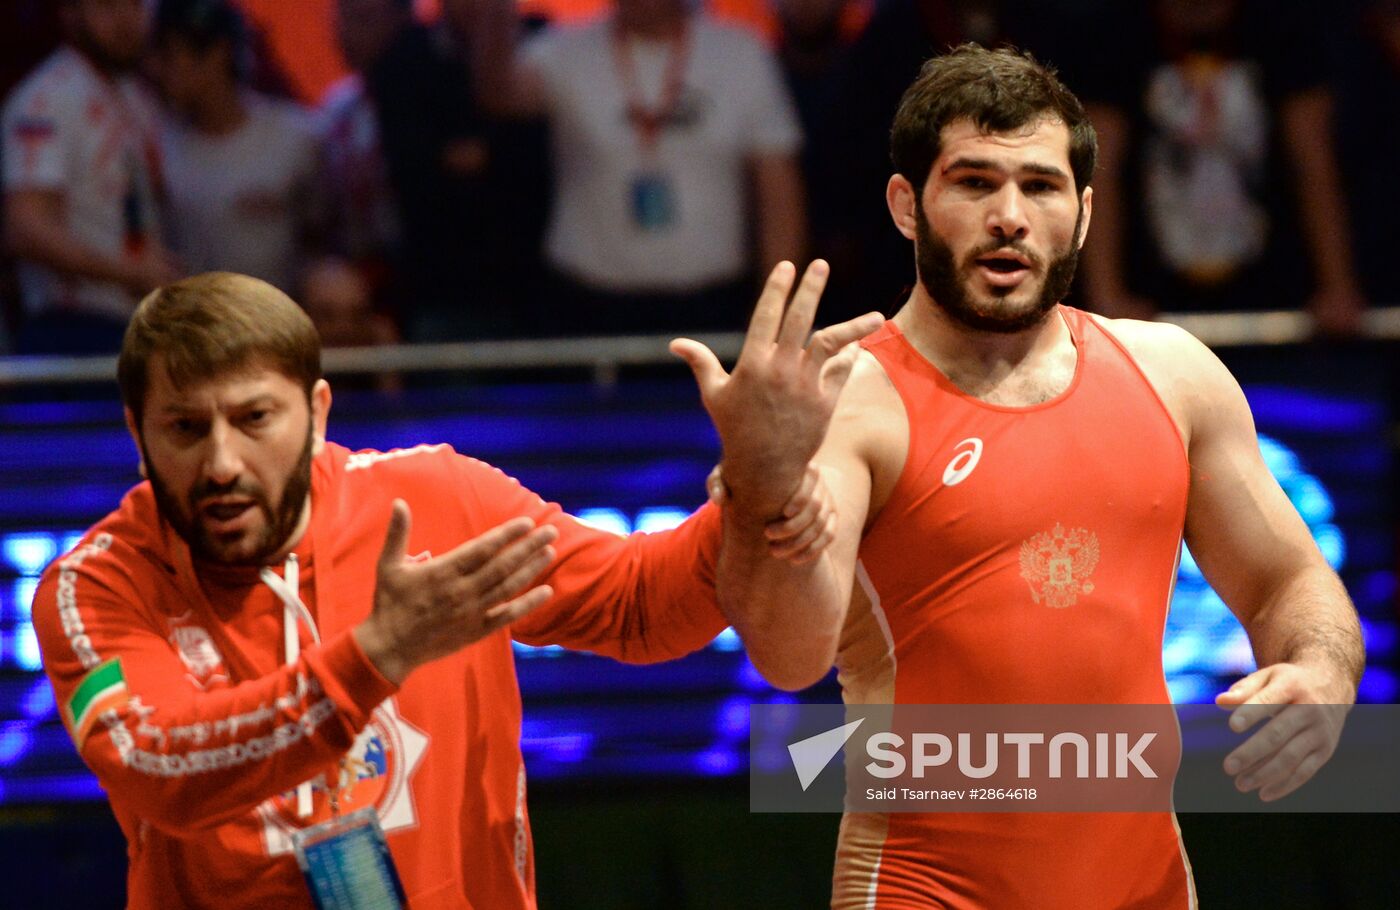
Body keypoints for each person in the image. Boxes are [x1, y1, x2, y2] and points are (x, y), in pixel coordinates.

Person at [672, 45, 1365, 907]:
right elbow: (787, 651)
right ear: (907, 207)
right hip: (925, 890)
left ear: (1080, 215)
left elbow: (1288, 580)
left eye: (1039, 187)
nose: (1009, 216)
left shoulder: (1172, 374)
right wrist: (761, 489)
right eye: (973, 184)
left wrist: (1322, 671)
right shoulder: (849, 403)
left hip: (1146, 886)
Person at [31, 269, 879, 908]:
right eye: (185, 428)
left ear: (318, 413)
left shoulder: (437, 498)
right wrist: (377, 656)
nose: (220, 462)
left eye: (255, 419)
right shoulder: (95, 583)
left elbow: (641, 607)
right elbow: (156, 765)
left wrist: (754, 481)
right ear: (136, 434)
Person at [478, 0, 808, 336]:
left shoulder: (742, 54)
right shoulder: (565, 49)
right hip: (588, 305)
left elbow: (779, 196)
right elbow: (501, 95)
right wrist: (495, 15)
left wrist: (776, 318)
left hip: (712, 304)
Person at [1, 0, 181, 354]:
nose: (126, 21)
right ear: (70, 14)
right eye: (108, 7)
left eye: (136, 6)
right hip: (72, 326)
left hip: (142, 321)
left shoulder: (138, 97)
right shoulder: (46, 98)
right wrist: (130, 273)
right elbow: (25, 228)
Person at [152, 0, 324, 296]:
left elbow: (324, 238)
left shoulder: (294, 137)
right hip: (194, 327)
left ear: (218, 55)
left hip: (280, 325)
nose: (157, 69)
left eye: (170, 55)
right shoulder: (158, 143)